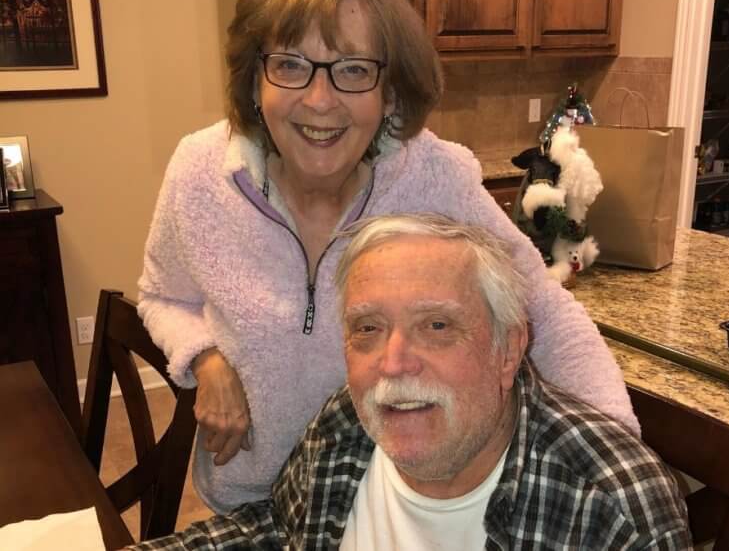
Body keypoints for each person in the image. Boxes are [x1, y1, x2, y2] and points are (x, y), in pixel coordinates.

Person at [138, 0, 640, 515]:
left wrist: (618, 455)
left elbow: (543, 309)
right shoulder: (199, 172)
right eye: (291, 65)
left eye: (354, 69)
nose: (320, 100)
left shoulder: (432, 177)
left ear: (390, 95)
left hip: (381, 502)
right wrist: (205, 360)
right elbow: (162, 295)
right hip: (248, 500)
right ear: (255, 81)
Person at [131, 214, 692, 550]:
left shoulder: (612, 512)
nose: (393, 364)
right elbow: (281, 532)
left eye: (437, 326)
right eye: (367, 328)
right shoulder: (348, 423)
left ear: (509, 349)